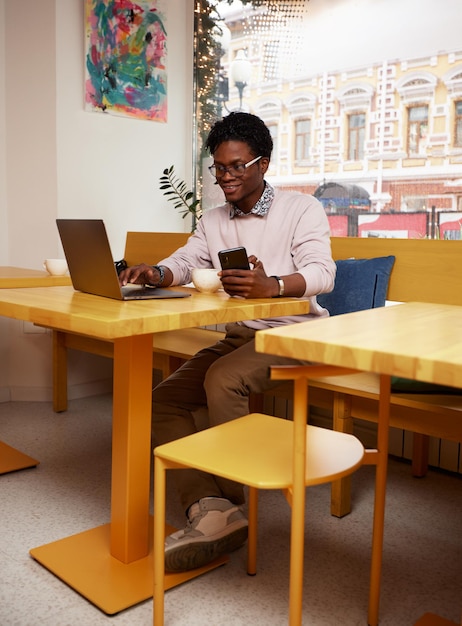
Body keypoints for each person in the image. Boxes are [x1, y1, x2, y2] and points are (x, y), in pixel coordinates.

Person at [118, 111, 336, 573]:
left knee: (222, 379)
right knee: (160, 402)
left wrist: (272, 286)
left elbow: (323, 273)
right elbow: (185, 259)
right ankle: (211, 506)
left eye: (237, 165)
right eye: (219, 167)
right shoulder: (214, 218)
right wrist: (153, 272)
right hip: (242, 334)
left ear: (264, 164)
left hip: (297, 334)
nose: (226, 176)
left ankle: (233, 505)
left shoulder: (301, 209)